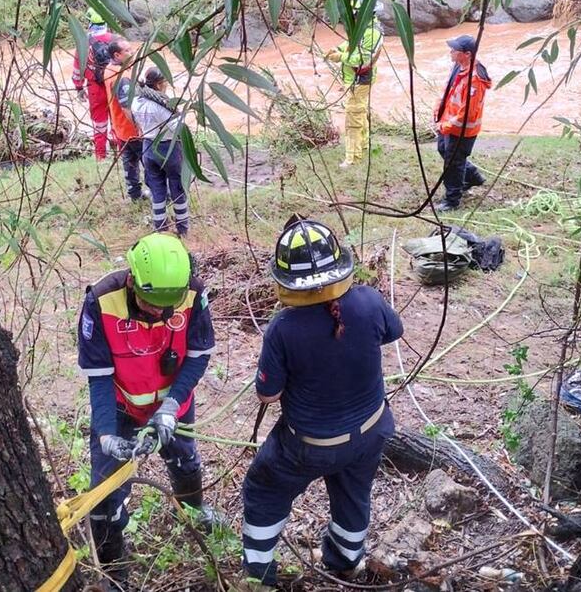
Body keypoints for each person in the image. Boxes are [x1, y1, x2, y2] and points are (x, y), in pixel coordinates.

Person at [239, 216, 404, 590]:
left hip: (310, 445)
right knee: (353, 495)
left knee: (264, 490)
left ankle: (259, 577)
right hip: (371, 430)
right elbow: (393, 331)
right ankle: (345, 564)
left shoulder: (283, 328)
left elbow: (268, 394)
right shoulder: (369, 301)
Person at [77, 233, 217, 588]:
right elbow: (99, 377)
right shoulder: (101, 302)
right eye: (151, 304)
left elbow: (198, 355)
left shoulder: (193, 294)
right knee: (104, 495)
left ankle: (193, 511)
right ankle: (114, 571)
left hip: (173, 403)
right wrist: (106, 434)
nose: (159, 313)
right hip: (120, 407)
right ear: (131, 281)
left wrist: (171, 406)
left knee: (185, 460)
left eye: (168, 306)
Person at [433, 34, 492, 211]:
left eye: (455, 50)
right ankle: (472, 175)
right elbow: (448, 90)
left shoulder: (475, 79)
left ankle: (452, 200)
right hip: (448, 123)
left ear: (467, 54)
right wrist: (438, 112)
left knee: (453, 163)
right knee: (443, 150)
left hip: (461, 130)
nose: (450, 52)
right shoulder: (458, 67)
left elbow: (467, 112)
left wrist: (446, 125)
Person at [132, 68, 190, 236]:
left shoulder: (136, 101)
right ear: (158, 85)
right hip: (167, 149)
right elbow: (177, 127)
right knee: (177, 188)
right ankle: (182, 228)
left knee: (157, 190)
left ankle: (160, 227)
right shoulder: (160, 106)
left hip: (148, 147)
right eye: (164, 82)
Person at [325, 9, 383, 168]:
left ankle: (353, 157)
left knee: (353, 119)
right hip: (354, 79)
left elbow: (363, 60)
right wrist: (339, 49)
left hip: (359, 80)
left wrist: (341, 57)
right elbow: (353, 44)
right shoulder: (363, 28)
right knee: (359, 112)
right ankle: (364, 145)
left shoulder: (372, 33)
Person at [104, 39, 145, 200]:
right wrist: (139, 126)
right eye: (127, 50)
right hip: (131, 128)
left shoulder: (109, 70)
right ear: (117, 55)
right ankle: (161, 193)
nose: (132, 52)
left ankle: (134, 194)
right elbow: (126, 106)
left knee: (129, 162)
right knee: (148, 162)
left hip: (120, 127)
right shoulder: (121, 77)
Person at [72, 8, 114, 160]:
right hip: (114, 85)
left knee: (99, 125)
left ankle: (101, 157)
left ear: (89, 22)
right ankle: (122, 155)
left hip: (95, 88)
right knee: (117, 120)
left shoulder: (83, 43)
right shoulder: (116, 40)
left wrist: (79, 87)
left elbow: (78, 69)